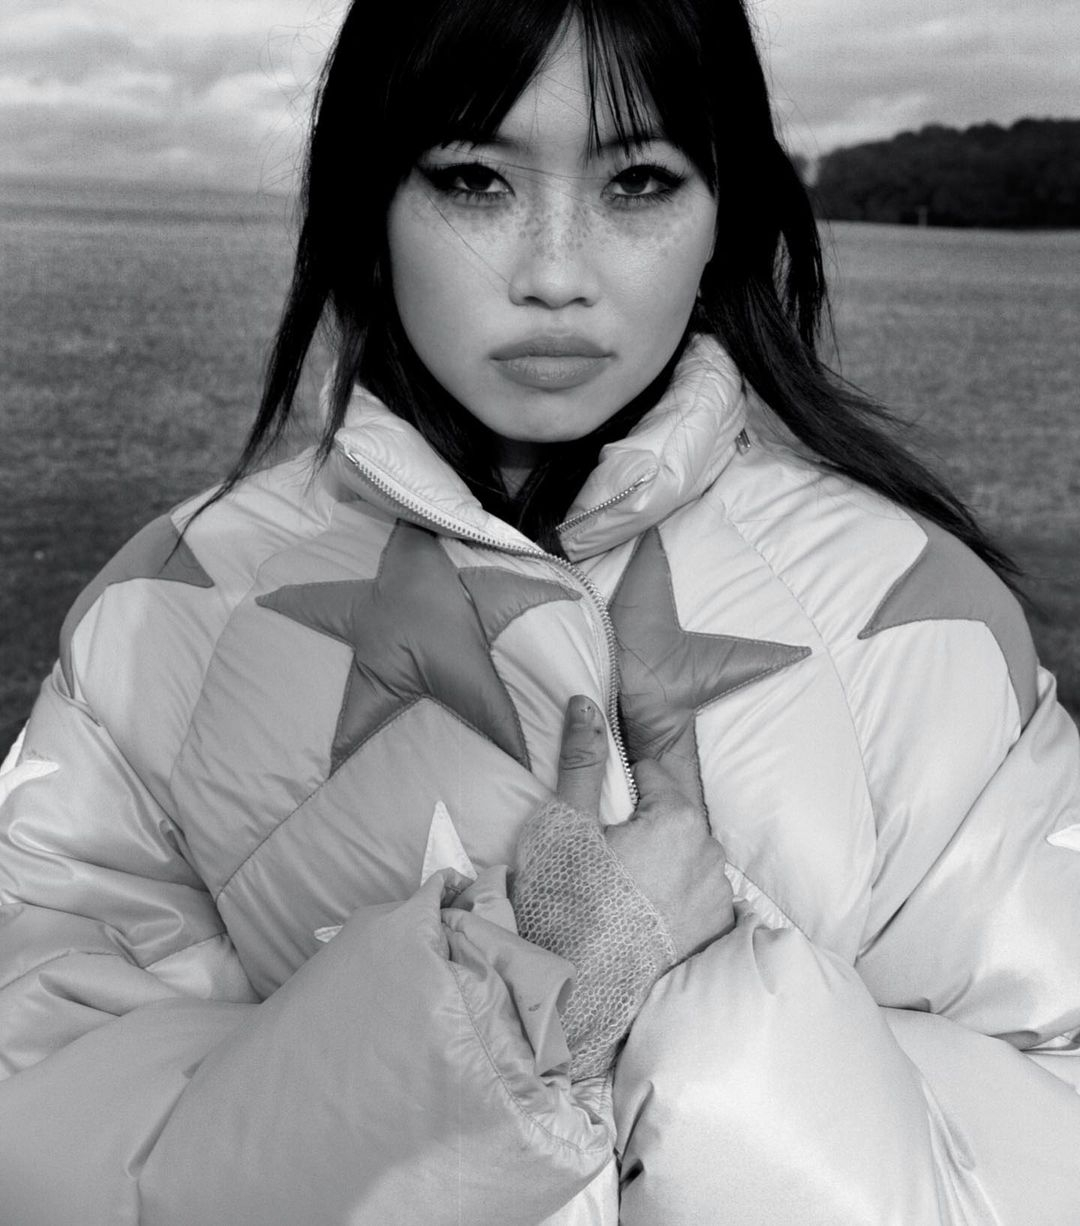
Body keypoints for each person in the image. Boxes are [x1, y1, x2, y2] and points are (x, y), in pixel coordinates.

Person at [1, 0, 1079, 1222]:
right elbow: (45, 1132)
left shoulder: (915, 615)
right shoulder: (170, 610)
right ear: (370, 201)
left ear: (724, 212)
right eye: (473, 180)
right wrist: (525, 1001)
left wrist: (696, 1020)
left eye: (639, 183)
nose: (557, 275)